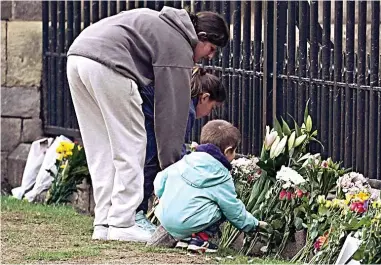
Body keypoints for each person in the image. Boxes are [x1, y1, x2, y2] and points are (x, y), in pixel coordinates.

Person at [66, 6, 229, 242]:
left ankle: (103, 222)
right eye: (211, 49)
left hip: (78, 56)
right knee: (132, 145)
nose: (209, 56)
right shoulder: (179, 44)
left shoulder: (159, 20)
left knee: (101, 148)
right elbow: (171, 113)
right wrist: (174, 169)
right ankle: (122, 222)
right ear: (201, 37)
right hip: (111, 66)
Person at [148, 120, 268, 252]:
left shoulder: (186, 160)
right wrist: (253, 224)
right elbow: (233, 208)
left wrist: (163, 197)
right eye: (234, 151)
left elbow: (159, 180)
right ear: (228, 151)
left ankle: (185, 239)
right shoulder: (221, 176)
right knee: (222, 208)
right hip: (189, 223)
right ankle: (199, 240)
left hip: (165, 218)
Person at [135, 67, 227, 234]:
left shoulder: (181, 98)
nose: (208, 114)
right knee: (150, 163)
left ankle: (135, 213)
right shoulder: (188, 110)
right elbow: (174, 146)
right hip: (148, 125)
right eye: (212, 108)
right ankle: (137, 214)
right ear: (204, 97)